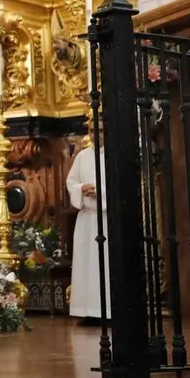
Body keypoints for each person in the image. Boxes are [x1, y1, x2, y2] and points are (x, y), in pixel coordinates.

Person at [67, 119, 108, 326]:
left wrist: (99, 191)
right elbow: (70, 182)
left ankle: (108, 311)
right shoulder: (82, 156)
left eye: (100, 130)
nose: (96, 134)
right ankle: (88, 311)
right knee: (86, 266)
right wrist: (82, 188)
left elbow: (120, 183)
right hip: (86, 218)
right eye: (93, 130)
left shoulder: (113, 155)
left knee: (105, 265)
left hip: (106, 218)